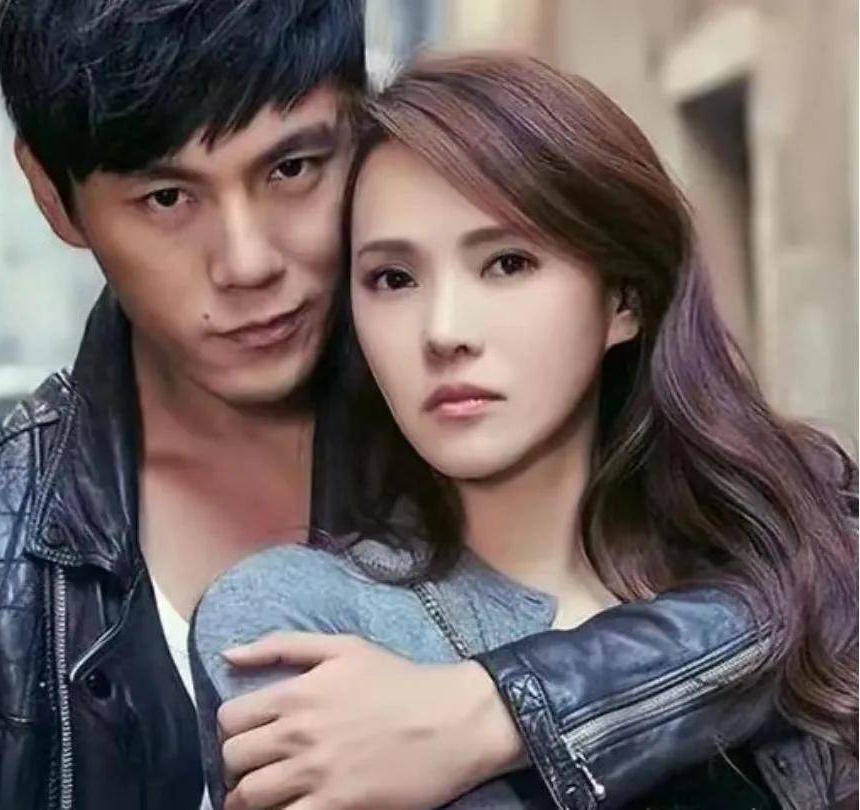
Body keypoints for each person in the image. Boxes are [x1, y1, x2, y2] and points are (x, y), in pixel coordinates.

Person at [0, 3, 788, 808]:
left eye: (292, 168)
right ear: (54, 197)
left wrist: (493, 711)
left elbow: (811, 573)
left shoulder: (500, 409)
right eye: (168, 197)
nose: (248, 262)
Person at [191, 53, 859, 809]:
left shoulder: (794, 551)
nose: (444, 332)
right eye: (393, 279)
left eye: (507, 263)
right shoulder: (295, 618)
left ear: (623, 301)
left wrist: (496, 715)